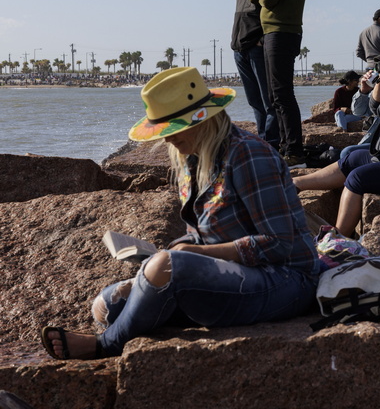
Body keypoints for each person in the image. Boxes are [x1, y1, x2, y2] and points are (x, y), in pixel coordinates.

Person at [40, 67, 319, 360]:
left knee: (165, 271)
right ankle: (142, 317)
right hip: (239, 275)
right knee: (106, 305)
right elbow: (202, 233)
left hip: (287, 280)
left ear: (203, 120)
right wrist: (173, 250)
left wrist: (191, 257)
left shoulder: (249, 155)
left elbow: (278, 243)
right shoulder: (195, 157)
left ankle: (105, 345)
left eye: (173, 130)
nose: (167, 140)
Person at [293, 45, 380, 237]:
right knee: (352, 158)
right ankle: (294, 184)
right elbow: (376, 107)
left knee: (357, 177)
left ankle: (338, 239)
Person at [249, 0, 309, 167]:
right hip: (272, 33)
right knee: (275, 94)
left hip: (283, 32)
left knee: (282, 93)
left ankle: (294, 151)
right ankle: (286, 148)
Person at [230, 0, 278, 148]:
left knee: (269, 102)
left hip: (257, 49)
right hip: (239, 49)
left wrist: (263, 40)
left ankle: (272, 143)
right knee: (254, 101)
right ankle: (263, 141)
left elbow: (274, 13)